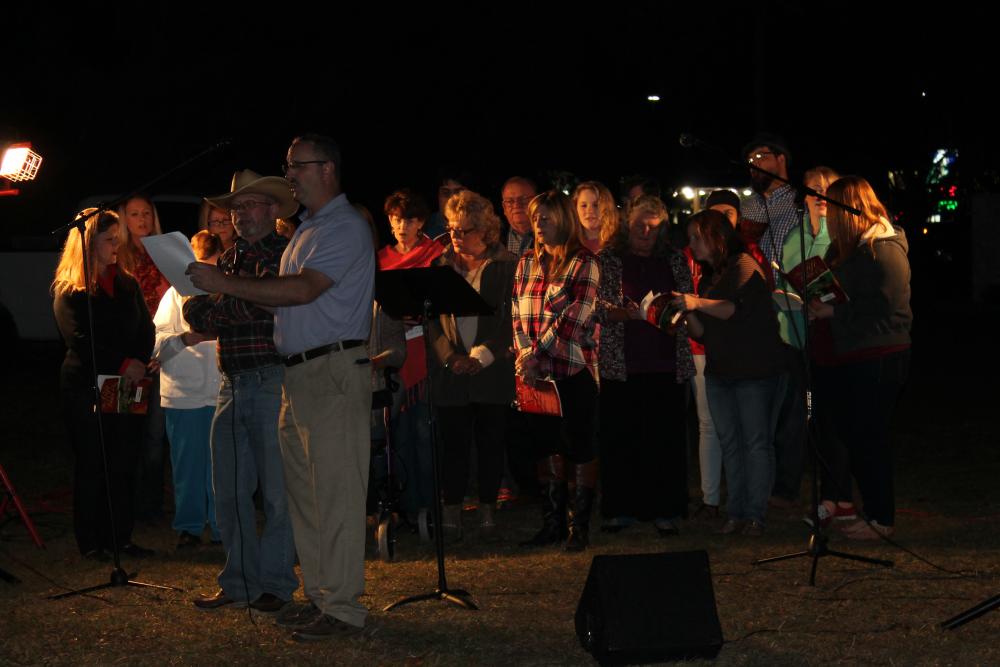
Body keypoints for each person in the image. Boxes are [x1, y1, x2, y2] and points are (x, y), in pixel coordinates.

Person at [188, 134, 375, 641]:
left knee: (333, 494)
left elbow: (301, 290)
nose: (290, 173)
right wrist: (231, 291)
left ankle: (342, 609)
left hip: (332, 371)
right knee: (307, 499)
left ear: (328, 168)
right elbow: (281, 301)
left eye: (297, 165)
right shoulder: (308, 231)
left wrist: (223, 286)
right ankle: (321, 597)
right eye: (287, 165)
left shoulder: (343, 227)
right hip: (298, 373)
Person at [183, 171, 298, 614]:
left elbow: (259, 304)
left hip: (271, 379)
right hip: (232, 382)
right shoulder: (229, 259)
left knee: (274, 492)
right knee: (229, 490)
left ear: (271, 209)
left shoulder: (284, 254)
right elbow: (198, 313)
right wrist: (227, 299)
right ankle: (239, 581)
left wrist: (220, 299)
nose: (240, 214)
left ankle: (274, 582)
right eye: (236, 208)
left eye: (248, 205)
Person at [807, 176, 911, 540]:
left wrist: (833, 314)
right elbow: (854, 295)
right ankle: (873, 511)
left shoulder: (884, 247)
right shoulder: (852, 249)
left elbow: (888, 304)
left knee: (870, 437)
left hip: (881, 354)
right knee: (858, 434)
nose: (828, 214)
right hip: (856, 353)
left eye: (831, 207)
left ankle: (881, 519)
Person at [672, 209, 786, 536]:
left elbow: (731, 309)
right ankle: (735, 513)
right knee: (730, 443)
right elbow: (703, 332)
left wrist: (694, 302)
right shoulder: (710, 278)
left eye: (696, 236)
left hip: (755, 371)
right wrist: (681, 312)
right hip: (720, 371)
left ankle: (755, 515)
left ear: (716, 236)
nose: (691, 244)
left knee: (755, 443)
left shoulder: (744, 265)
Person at [52, 208, 154, 560]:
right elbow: (81, 339)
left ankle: (120, 536)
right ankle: (91, 540)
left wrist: (139, 361)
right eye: (110, 240)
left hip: (126, 382)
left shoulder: (126, 283)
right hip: (86, 386)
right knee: (93, 460)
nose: (116, 247)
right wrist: (124, 363)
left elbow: (145, 328)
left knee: (123, 460)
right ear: (88, 243)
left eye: (118, 240)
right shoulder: (70, 290)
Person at [595, 195, 694, 536]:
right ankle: (621, 508)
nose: (645, 231)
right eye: (640, 224)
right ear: (627, 224)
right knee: (621, 439)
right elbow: (596, 306)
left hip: (666, 363)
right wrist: (630, 313)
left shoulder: (674, 259)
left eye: (653, 226)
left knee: (664, 440)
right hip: (622, 364)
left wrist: (674, 312)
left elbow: (688, 300)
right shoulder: (609, 259)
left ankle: (664, 508)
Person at [426, 191, 517, 540]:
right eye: (452, 229)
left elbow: (510, 318)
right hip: (452, 371)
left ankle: (488, 510)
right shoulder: (440, 266)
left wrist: (482, 355)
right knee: (454, 443)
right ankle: (451, 509)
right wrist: (450, 357)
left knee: (492, 441)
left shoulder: (506, 266)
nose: (455, 237)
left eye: (463, 230)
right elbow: (432, 320)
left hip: (491, 369)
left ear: (485, 231)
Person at [512, 190, 600, 551]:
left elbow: (574, 319)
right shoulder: (526, 263)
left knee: (579, 447)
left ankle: (577, 527)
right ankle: (551, 524)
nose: (538, 225)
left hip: (571, 371)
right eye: (535, 219)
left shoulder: (584, 263)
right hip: (536, 375)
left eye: (545, 218)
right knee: (545, 447)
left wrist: (535, 353)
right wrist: (524, 356)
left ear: (562, 220)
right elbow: (516, 312)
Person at [376, 189, 444, 523]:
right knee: (397, 435)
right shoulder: (381, 259)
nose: (403, 226)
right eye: (397, 219)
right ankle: (403, 507)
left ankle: (428, 507)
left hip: (424, 350)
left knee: (423, 433)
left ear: (421, 222)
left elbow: (442, 300)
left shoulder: (433, 254)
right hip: (392, 352)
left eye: (411, 219)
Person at [153, 231, 222, 549]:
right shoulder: (173, 298)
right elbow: (156, 348)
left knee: (222, 465)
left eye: (211, 266)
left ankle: (223, 526)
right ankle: (190, 526)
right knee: (188, 465)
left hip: (222, 393)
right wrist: (186, 339)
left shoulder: (228, 292)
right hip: (184, 396)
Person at [117, 195, 170, 522]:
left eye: (146, 214)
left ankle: (150, 506)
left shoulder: (164, 253)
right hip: (128, 355)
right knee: (124, 428)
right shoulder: (118, 254)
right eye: (134, 214)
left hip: (160, 352)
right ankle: (123, 503)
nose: (141, 220)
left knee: (155, 434)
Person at [740, 133, 798, 264]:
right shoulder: (744, 207)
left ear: (781, 159)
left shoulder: (800, 202)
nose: (754, 163)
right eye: (750, 160)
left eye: (760, 156)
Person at [572, 181, 620, 254]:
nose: (589, 210)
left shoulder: (619, 245)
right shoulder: (569, 245)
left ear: (607, 208)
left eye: (596, 205)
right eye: (584, 206)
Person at [501, 176, 538, 257]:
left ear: (536, 203)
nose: (516, 205)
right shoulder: (492, 238)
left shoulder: (551, 236)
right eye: (510, 201)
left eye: (524, 199)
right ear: (504, 208)